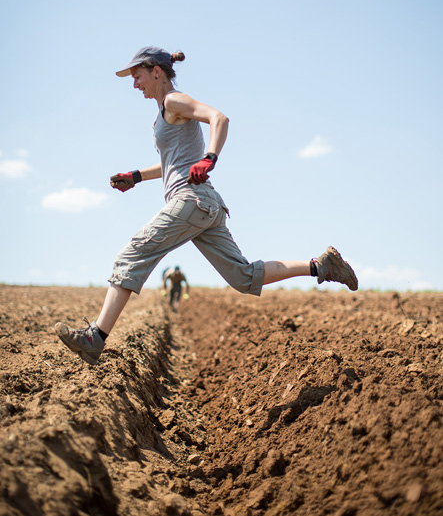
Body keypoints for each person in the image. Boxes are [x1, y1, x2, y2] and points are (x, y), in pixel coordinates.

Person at [55, 45, 358, 366]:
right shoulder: (163, 112)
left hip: (192, 199)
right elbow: (171, 162)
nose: (135, 84)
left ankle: (94, 339)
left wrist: (209, 158)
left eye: (137, 76)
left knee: (132, 254)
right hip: (206, 205)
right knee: (243, 277)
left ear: (156, 72)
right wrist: (136, 176)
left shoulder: (173, 100)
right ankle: (320, 265)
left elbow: (219, 118)